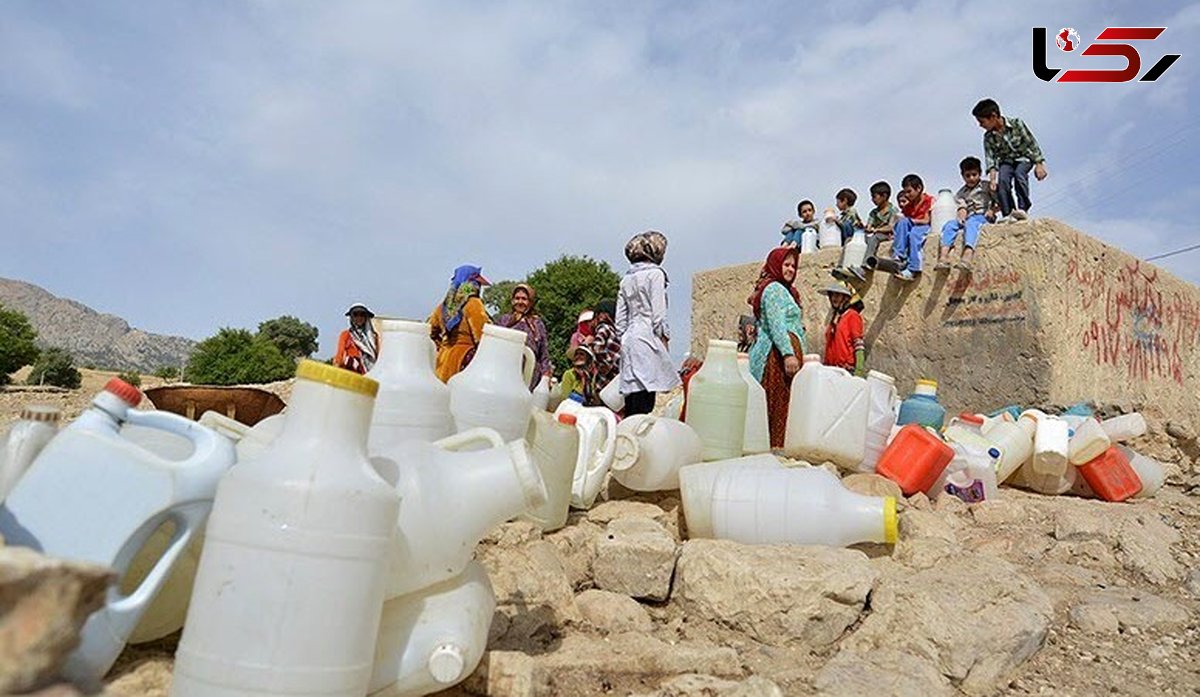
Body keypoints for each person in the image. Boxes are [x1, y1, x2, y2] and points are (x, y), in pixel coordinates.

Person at [747, 247, 807, 449]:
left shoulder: (787, 291)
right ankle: (771, 451)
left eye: (793, 266)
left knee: (785, 406)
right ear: (776, 264)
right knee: (776, 407)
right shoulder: (773, 290)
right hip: (776, 358)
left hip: (785, 357)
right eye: (786, 264)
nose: (790, 269)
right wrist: (788, 353)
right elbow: (776, 324)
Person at [616, 231, 679, 416]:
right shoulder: (655, 274)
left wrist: (624, 339)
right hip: (647, 336)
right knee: (646, 397)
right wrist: (664, 339)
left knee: (632, 396)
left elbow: (620, 321)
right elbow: (658, 315)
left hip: (629, 339)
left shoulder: (626, 279)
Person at [972, 98, 1048, 220]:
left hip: (1024, 158)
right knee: (1002, 182)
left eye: (982, 121)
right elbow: (991, 158)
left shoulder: (1017, 124)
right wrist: (992, 179)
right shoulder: (988, 137)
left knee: (1019, 175)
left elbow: (1031, 143)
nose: (980, 125)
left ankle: (1023, 208)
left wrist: (1039, 164)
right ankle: (1008, 213)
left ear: (993, 116)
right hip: (1006, 162)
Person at [429, 265, 491, 383]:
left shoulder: (443, 307)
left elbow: (430, 332)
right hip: (462, 363)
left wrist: (441, 346)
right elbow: (482, 337)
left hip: (441, 362)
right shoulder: (474, 304)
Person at [936, 156, 997, 272]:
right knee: (950, 224)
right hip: (969, 216)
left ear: (980, 173)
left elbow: (998, 202)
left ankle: (968, 254)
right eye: (967, 176)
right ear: (963, 176)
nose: (971, 178)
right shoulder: (961, 193)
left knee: (971, 223)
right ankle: (944, 256)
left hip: (983, 216)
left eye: (974, 174)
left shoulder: (986, 186)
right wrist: (961, 217)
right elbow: (962, 207)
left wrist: (992, 210)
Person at [496, 283, 553, 390]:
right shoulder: (504, 320)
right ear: (512, 301)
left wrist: (546, 375)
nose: (520, 302)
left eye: (524, 299)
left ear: (530, 302)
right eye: (517, 298)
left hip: (530, 374)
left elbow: (544, 352)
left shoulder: (537, 324)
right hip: (505, 371)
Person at [891, 173, 935, 282]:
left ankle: (914, 268)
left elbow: (926, 220)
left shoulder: (929, 200)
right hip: (913, 226)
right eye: (905, 192)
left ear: (919, 188)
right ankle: (899, 256)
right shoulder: (909, 206)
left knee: (914, 235)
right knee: (902, 223)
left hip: (924, 227)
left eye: (909, 191)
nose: (907, 195)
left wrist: (911, 221)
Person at [819, 283, 866, 376]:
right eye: (832, 294)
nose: (833, 298)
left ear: (845, 298)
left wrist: (859, 372)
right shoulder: (836, 318)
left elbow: (858, 344)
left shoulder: (852, 316)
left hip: (846, 371)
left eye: (837, 295)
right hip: (831, 370)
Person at [334, 302, 379, 375]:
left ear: (366, 317)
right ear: (351, 317)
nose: (359, 318)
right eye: (355, 315)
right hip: (352, 375)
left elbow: (378, 356)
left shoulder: (374, 337)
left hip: (371, 374)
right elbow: (339, 355)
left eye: (362, 315)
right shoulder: (346, 335)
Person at [863, 180, 900, 263]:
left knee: (874, 238)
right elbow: (869, 224)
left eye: (874, 196)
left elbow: (891, 227)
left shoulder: (893, 210)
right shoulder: (873, 212)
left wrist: (876, 230)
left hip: (886, 235)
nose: (872, 199)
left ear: (884, 196)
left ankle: (867, 263)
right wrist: (867, 228)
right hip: (873, 234)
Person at [590, 299, 621, 388]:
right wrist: (608, 364)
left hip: (608, 378)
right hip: (611, 377)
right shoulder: (607, 329)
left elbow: (597, 348)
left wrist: (606, 364)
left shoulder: (606, 329)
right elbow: (597, 348)